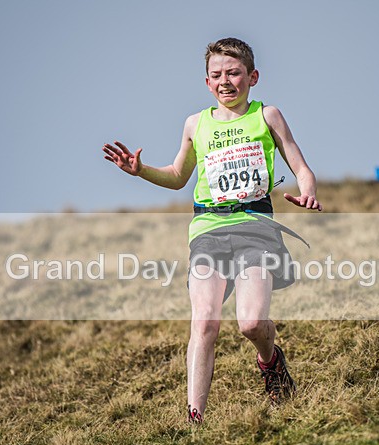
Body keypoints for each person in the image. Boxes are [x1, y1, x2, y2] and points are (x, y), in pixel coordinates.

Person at [102, 37, 321, 424]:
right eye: (216, 75)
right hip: (207, 230)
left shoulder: (267, 115)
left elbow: (301, 167)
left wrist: (307, 193)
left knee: (251, 323)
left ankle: (271, 362)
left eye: (234, 73)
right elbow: (176, 175)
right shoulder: (195, 124)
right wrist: (141, 170)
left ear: (252, 76)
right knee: (204, 321)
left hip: (256, 228)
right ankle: (195, 417)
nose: (225, 81)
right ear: (207, 82)